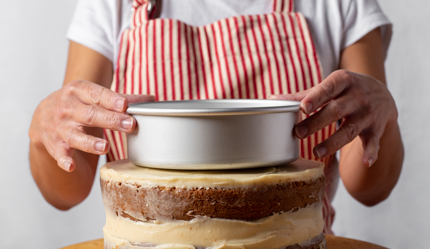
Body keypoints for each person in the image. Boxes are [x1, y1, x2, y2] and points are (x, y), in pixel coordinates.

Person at [28, 0, 403, 234]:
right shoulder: (112, 5)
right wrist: (44, 132)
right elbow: (66, 189)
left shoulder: (340, 4)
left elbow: (369, 187)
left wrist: (383, 113)